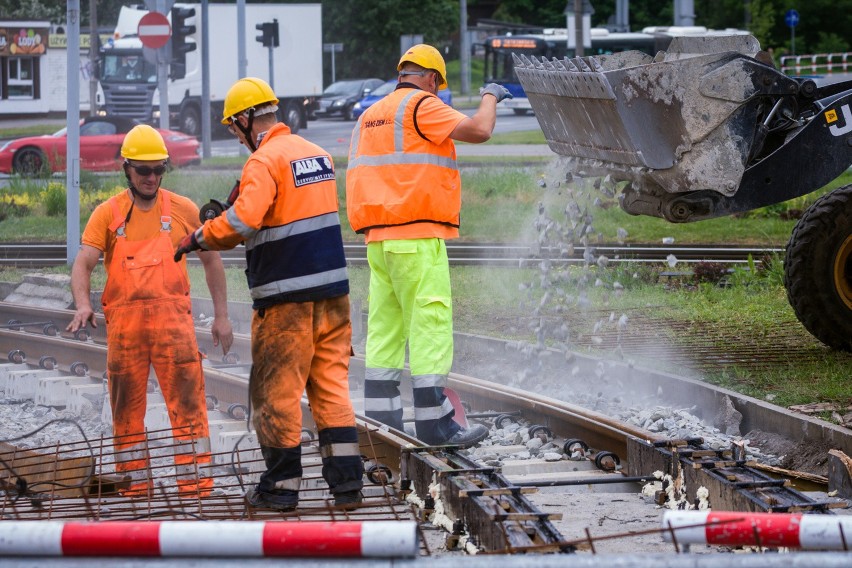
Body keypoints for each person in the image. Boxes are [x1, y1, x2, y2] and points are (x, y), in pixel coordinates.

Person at [173, 77, 364, 511]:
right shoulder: (315, 154)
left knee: (275, 392)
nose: (234, 137)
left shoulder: (263, 161)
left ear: (245, 120)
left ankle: (280, 489)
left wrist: (199, 237)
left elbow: (244, 222)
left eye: (232, 128)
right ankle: (348, 486)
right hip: (333, 296)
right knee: (331, 387)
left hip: (286, 302)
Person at [345, 44, 512, 448]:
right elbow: (480, 130)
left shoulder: (371, 115)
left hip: (378, 241)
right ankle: (437, 425)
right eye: (437, 86)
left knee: (385, 328)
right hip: (416, 237)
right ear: (432, 78)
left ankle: (383, 423)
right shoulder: (421, 104)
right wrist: (490, 95)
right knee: (430, 325)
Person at [67, 124, 234, 498]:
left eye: (159, 169)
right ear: (126, 169)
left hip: (174, 328)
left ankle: (195, 489)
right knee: (126, 413)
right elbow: (83, 264)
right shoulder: (107, 215)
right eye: (144, 170)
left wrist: (222, 316)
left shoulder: (183, 210)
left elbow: (212, 262)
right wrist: (82, 304)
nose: (152, 177)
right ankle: (135, 490)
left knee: (189, 407)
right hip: (125, 332)